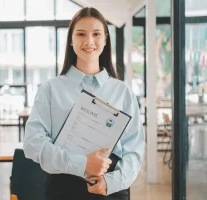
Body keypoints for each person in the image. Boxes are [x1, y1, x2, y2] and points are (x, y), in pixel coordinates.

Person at [23, 7, 145, 200]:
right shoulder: (51, 89)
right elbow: (32, 143)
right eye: (81, 34)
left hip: (110, 187)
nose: (89, 41)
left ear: (105, 40)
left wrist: (112, 182)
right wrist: (82, 164)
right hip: (62, 187)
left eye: (96, 34)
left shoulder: (123, 92)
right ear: (71, 41)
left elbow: (134, 150)